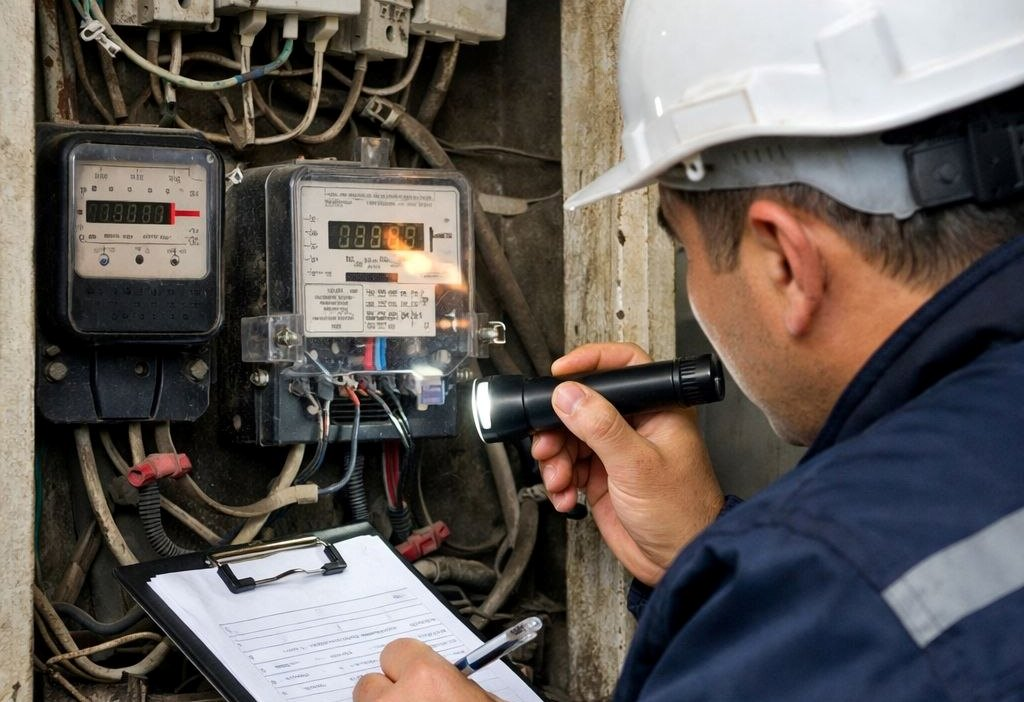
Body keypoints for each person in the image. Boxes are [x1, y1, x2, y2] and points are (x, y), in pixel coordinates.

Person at [354, 1, 1024, 699]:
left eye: (684, 250)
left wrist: (763, 577)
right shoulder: (837, 574)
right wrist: (701, 551)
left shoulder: (827, 579)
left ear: (785, 262)